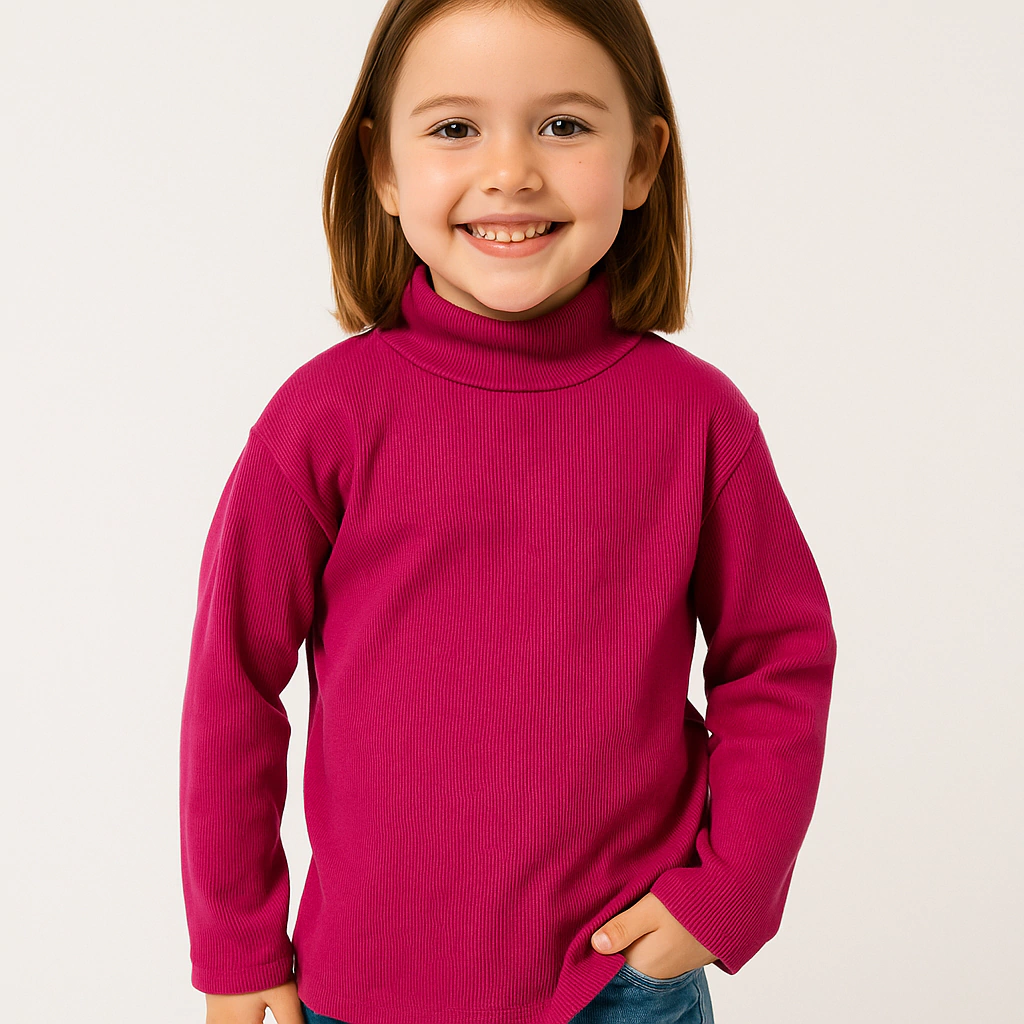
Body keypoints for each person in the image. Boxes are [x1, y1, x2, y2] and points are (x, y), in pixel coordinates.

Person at [179, 1, 838, 1022]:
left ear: (641, 161)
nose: (510, 172)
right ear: (383, 169)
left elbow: (777, 658)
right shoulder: (322, 418)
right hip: (365, 986)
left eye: (563, 125)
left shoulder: (697, 418)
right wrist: (237, 945)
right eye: (455, 127)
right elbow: (233, 684)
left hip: (617, 979)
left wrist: (730, 889)